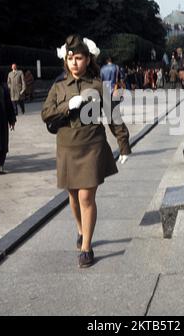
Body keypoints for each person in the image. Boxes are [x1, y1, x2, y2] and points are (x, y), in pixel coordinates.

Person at [42, 35, 125, 268]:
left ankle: (87, 247)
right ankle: (80, 229)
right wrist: (67, 106)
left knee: (86, 197)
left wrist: (123, 143)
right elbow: (46, 113)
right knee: (73, 197)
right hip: (67, 147)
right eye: (70, 58)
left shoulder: (97, 86)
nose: (74, 63)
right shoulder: (58, 86)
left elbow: (113, 115)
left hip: (91, 146)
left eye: (79, 58)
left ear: (88, 59)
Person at [100, 56, 131, 164]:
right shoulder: (117, 67)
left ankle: (124, 148)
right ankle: (124, 145)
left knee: (112, 121)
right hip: (115, 92)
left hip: (105, 93)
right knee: (116, 118)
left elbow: (101, 81)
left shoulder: (102, 69)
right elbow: (122, 79)